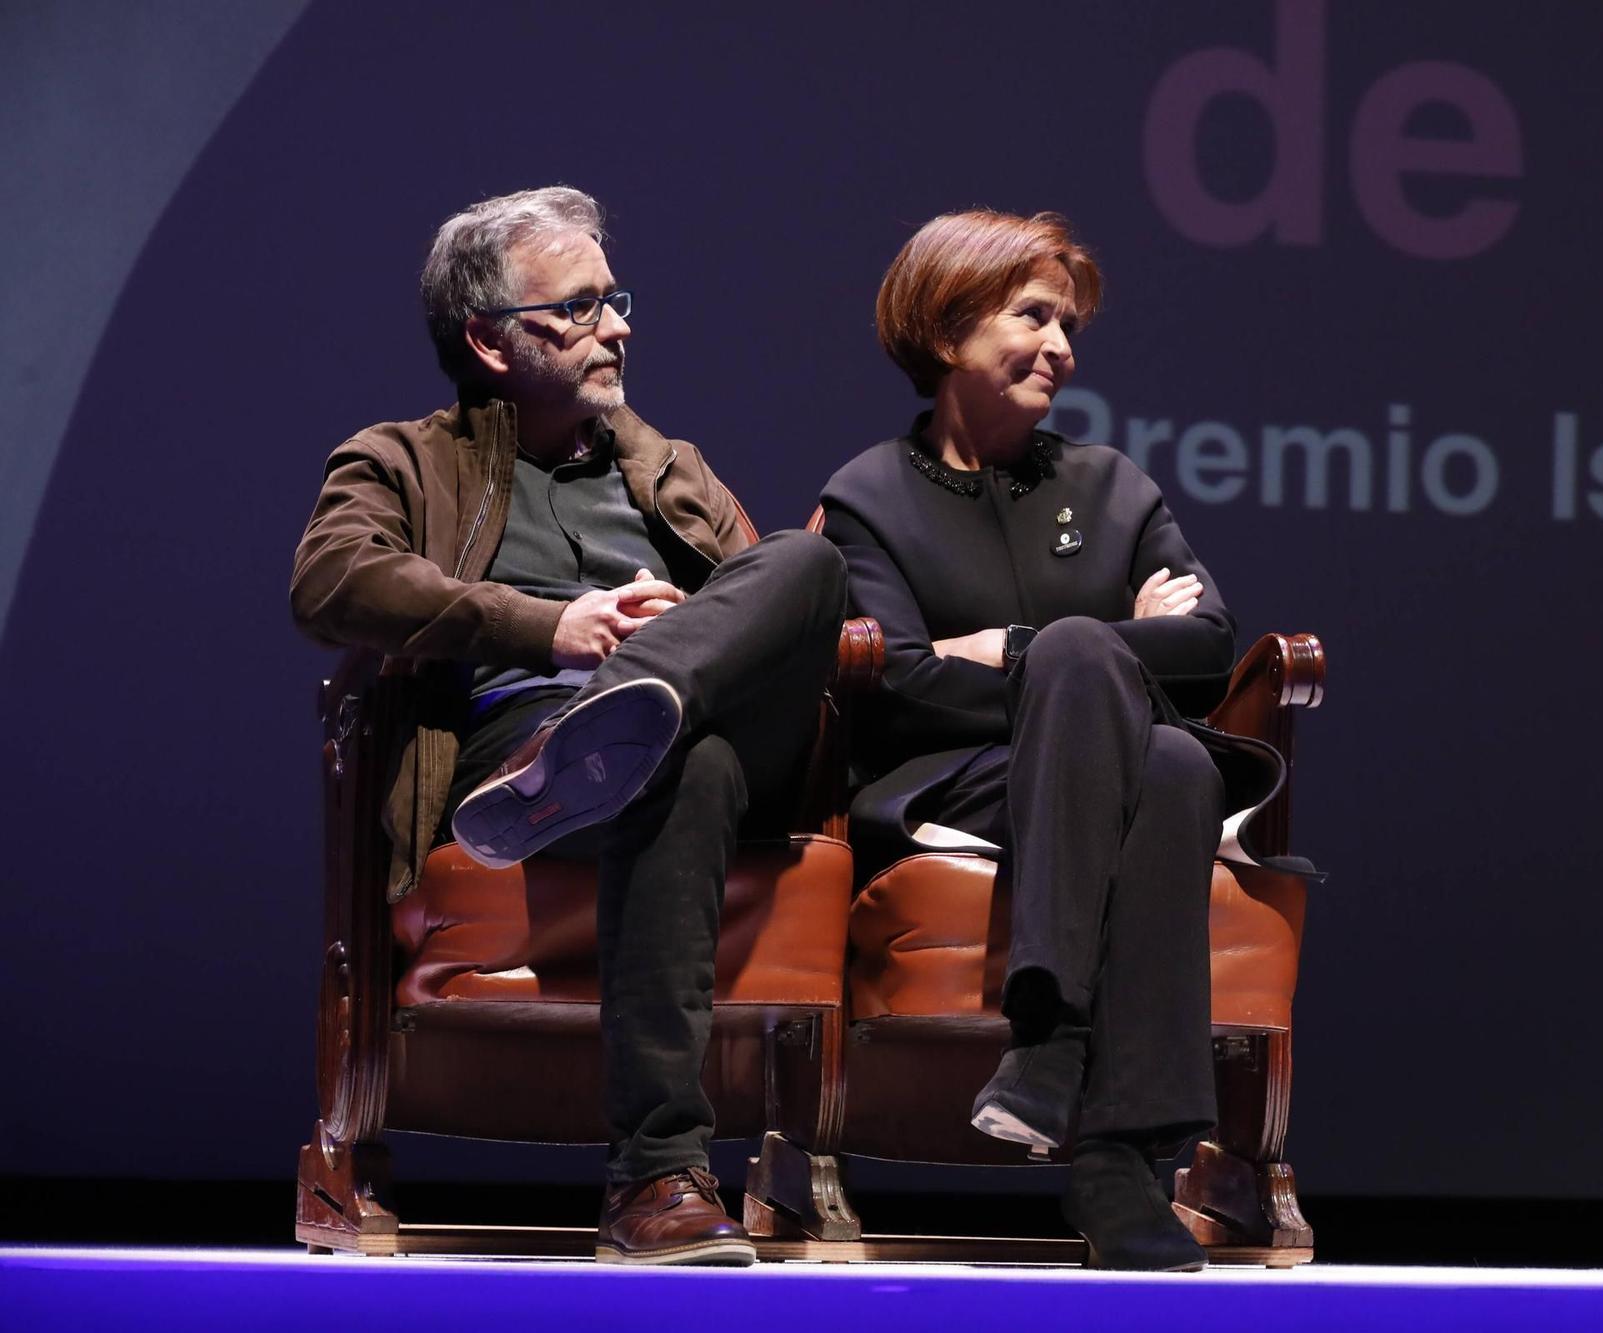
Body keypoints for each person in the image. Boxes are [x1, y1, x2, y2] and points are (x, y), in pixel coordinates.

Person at [290, 186, 846, 1267]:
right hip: (523, 756)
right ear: (491, 342)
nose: (618, 327)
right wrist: (555, 628)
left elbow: (772, 607)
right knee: (683, 766)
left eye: (617, 300)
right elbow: (330, 579)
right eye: (582, 308)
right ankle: (657, 1180)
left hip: (701, 719)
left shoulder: (669, 469)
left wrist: (683, 633)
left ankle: (641, 701)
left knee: (807, 562)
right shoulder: (403, 458)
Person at [818, 210, 1288, 1272]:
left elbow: (1208, 644)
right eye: (1032, 315)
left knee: (1157, 746)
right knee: (1137, 726)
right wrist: (1101, 659)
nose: (1062, 348)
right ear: (946, 330)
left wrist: (1022, 648)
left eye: (1067, 324)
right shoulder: (869, 496)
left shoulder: (1112, 485)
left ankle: (1050, 1055)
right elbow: (896, 675)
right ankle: (1116, 1158)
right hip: (952, 782)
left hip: (1115, 769)